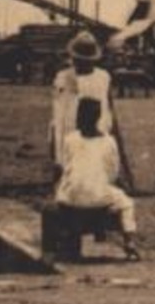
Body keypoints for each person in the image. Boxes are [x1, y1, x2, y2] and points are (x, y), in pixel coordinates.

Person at [55, 97, 139, 260]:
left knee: (64, 189)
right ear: (98, 117)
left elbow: (65, 167)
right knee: (127, 203)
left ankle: (67, 239)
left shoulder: (70, 139)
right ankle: (129, 242)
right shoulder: (108, 141)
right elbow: (113, 173)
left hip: (71, 198)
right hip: (100, 197)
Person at [49, 31, 117, 178]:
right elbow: (58, 112)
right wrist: (56, 151)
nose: (81, 63)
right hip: (69, 127)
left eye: (86, 60)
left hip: (97, 128)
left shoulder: (103, 77)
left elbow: (108, 106)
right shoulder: (64, 77)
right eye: (78, 60)